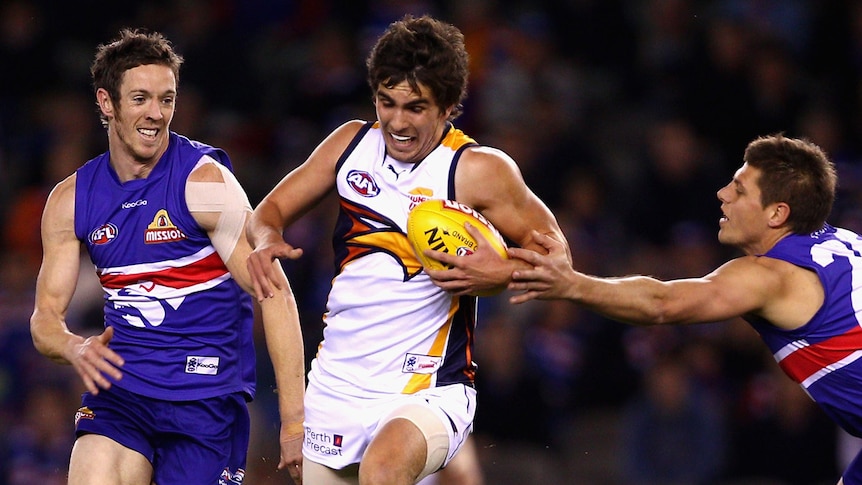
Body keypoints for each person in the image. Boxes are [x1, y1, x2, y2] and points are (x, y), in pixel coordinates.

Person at [245, 14, 567, 485]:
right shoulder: (350, 144)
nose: (396, 121)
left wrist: (500, 275)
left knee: (384, 470)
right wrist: (268, 237)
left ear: (449, 106)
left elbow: (558, 257)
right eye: (386, 102)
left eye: (415, 107)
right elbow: (267, 211)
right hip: (337, 386)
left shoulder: (476, 169)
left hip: (428, 389)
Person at [501, 133, 862, 485]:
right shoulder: (844, 242)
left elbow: (661, 303)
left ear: (777, 213)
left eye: (739, 190)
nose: (722, 195)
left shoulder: (772, 276)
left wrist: (572, 284)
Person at [29, 29, 306, 485]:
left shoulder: (204, 184)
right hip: (123, 393)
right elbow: (44, 321)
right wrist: (74, 347)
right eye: (140, 98)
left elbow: (274, 294)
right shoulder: (71, 201)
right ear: (106, 102)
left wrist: (294, 420)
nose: (156, 114)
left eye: (167, 99)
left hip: (206, 403)